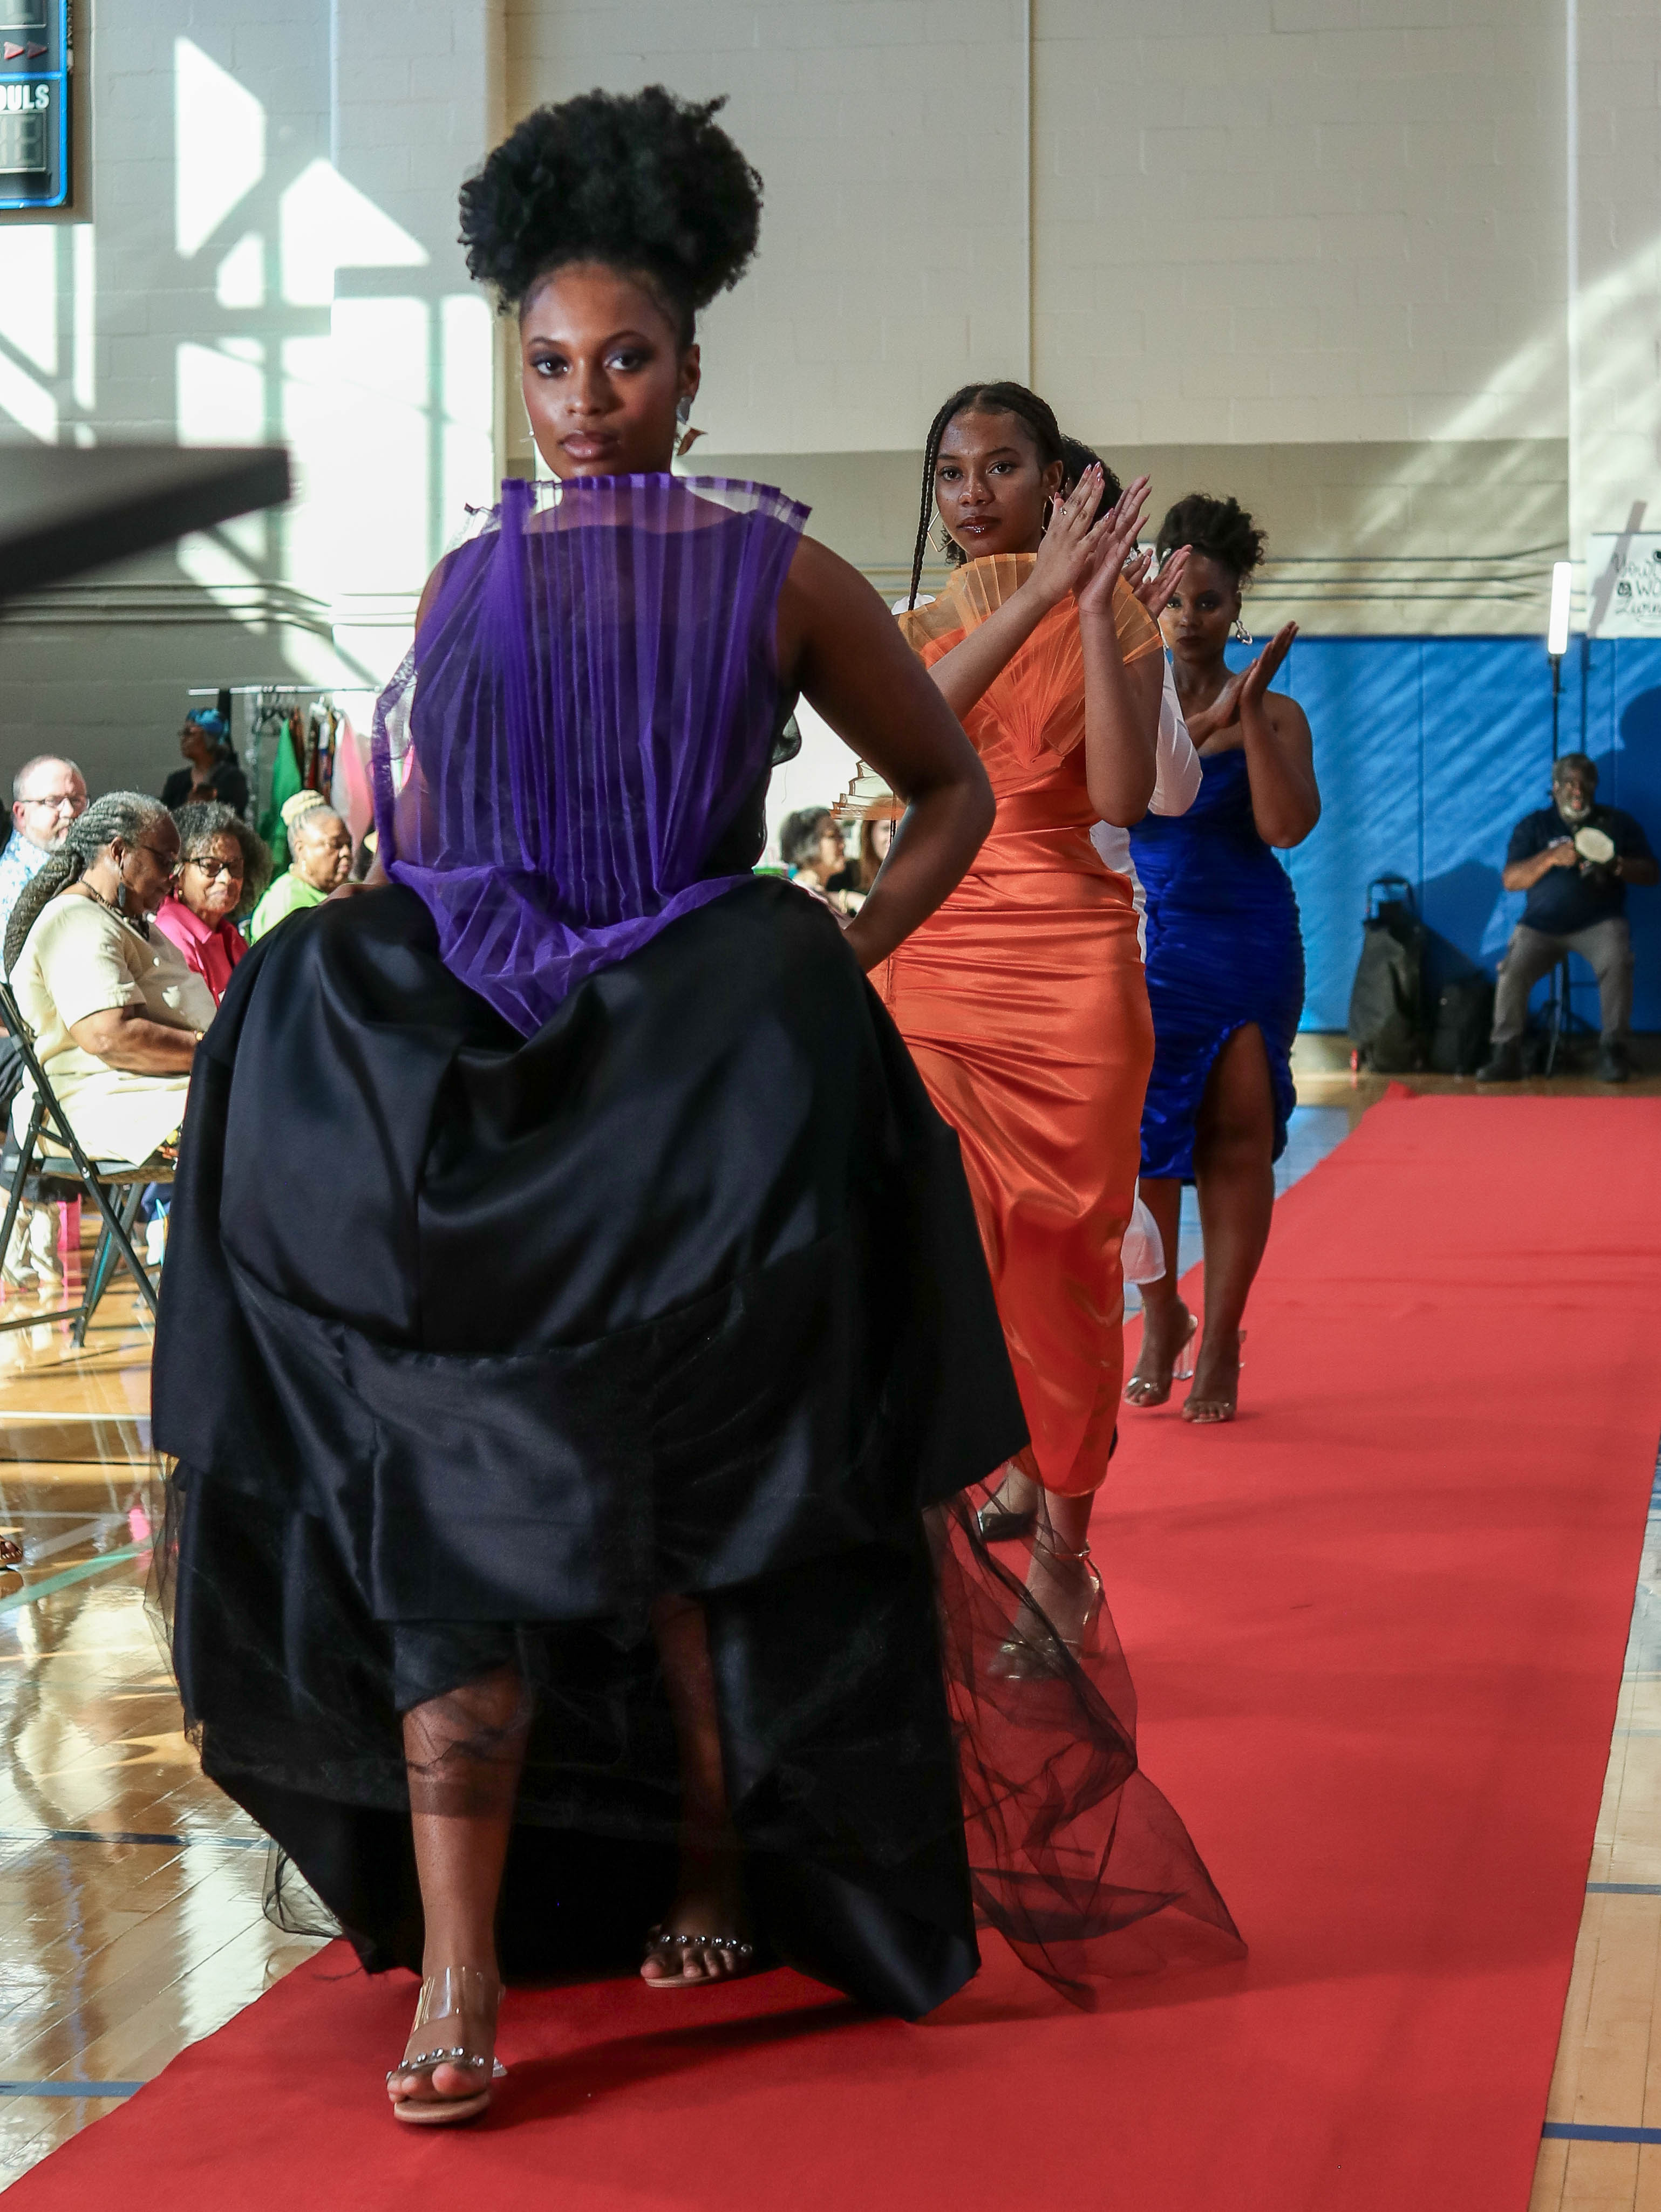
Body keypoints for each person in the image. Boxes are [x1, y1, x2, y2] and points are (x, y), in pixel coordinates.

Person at [149, 91, 1241, 2136]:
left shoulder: (780, 568)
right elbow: (432, 843)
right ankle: (460, 1958)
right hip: (494, 1063)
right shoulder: (466, 578)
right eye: (552, 364)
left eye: (625, 360)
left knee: (690, 1528)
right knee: (443, 1487)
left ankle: (718, 1859)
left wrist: (843, 949)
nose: (586, 401)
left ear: (690, 369)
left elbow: (950, 791)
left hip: (689, 1076)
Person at [877, 383, 1166, 1656]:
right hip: (932, 962)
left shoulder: (1122, 615)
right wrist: (1038, 590)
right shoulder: (906, 629)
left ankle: (1065, 1552)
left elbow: (1122, 795)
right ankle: (942, 1525)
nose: (972, 491)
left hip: (1074, 974)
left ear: (1054, 482)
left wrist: (1089, 607)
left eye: (1001, 466)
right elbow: (916, 739)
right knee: (935, 1256)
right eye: (951, 471)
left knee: (1063, 1262)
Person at [1125, 495, 1319, 1425]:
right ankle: (1162, 1314)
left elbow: (1284, 827)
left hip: (1245, 935)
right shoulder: (1125, 694)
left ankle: (1222, 1338)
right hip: (1147, 938)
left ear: (1235, 603)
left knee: (1237, 1134)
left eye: (1207, 602)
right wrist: (1199, 729)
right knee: (1145, 1145)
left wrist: (1246, 714)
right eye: (1174, 600)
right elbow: (1119, 806)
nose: (1189, 618)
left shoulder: (1277, 710)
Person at [4, 793, 208, 1168]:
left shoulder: (131, 921)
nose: (172, 878)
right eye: (165, 862)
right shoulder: (75, 920)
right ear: (119, 852)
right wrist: (211, 1051)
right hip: (107, 1102)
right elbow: (109, 1036)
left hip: (158, 1091)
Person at [1478, 752, 1657, 1085]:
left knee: (1618, 962)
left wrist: (1616, 865)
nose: (1578, 790)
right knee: (1512, 970)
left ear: (1595, 786)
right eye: (1570, 783)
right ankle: (1506, 1053)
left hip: (1600, 922)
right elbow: (1511, 880)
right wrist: (1550, 857)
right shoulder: (1535, 825)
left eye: (1585, 782)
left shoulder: (1617, 823)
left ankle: (1613, 1050)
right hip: (1541, 927)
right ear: (1556, 788)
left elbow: (1651, 873)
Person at [153, 803, 273, 1006]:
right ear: (176, 871)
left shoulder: (230, 935)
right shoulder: (171, 937)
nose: (227, 879)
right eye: (210, 866)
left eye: (235, 867)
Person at [0, 755, 88, 952]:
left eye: (77, 800)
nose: (69, 812)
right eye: (53, 801)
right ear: (21, 813)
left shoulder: (88, 866)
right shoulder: (8, 886)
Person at [244, 794, 352, 939]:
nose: (346, 852)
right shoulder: (286, 905)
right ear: (301, 849)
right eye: (335, 844)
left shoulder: (351, 889)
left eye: (349, 844)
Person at [161, 709, 250, 818]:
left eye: (189, 733)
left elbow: (234, 819)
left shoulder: (232, 778)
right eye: (183, 733)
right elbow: (163, 819)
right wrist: (190, 806)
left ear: (210, 738)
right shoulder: (176, 781)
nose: (183, 739)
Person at [778, 804, 849, 905]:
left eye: (841, 836)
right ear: (805, 844)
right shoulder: (802, 898)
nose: (843, 845)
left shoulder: (818, 894)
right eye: (832, 836)